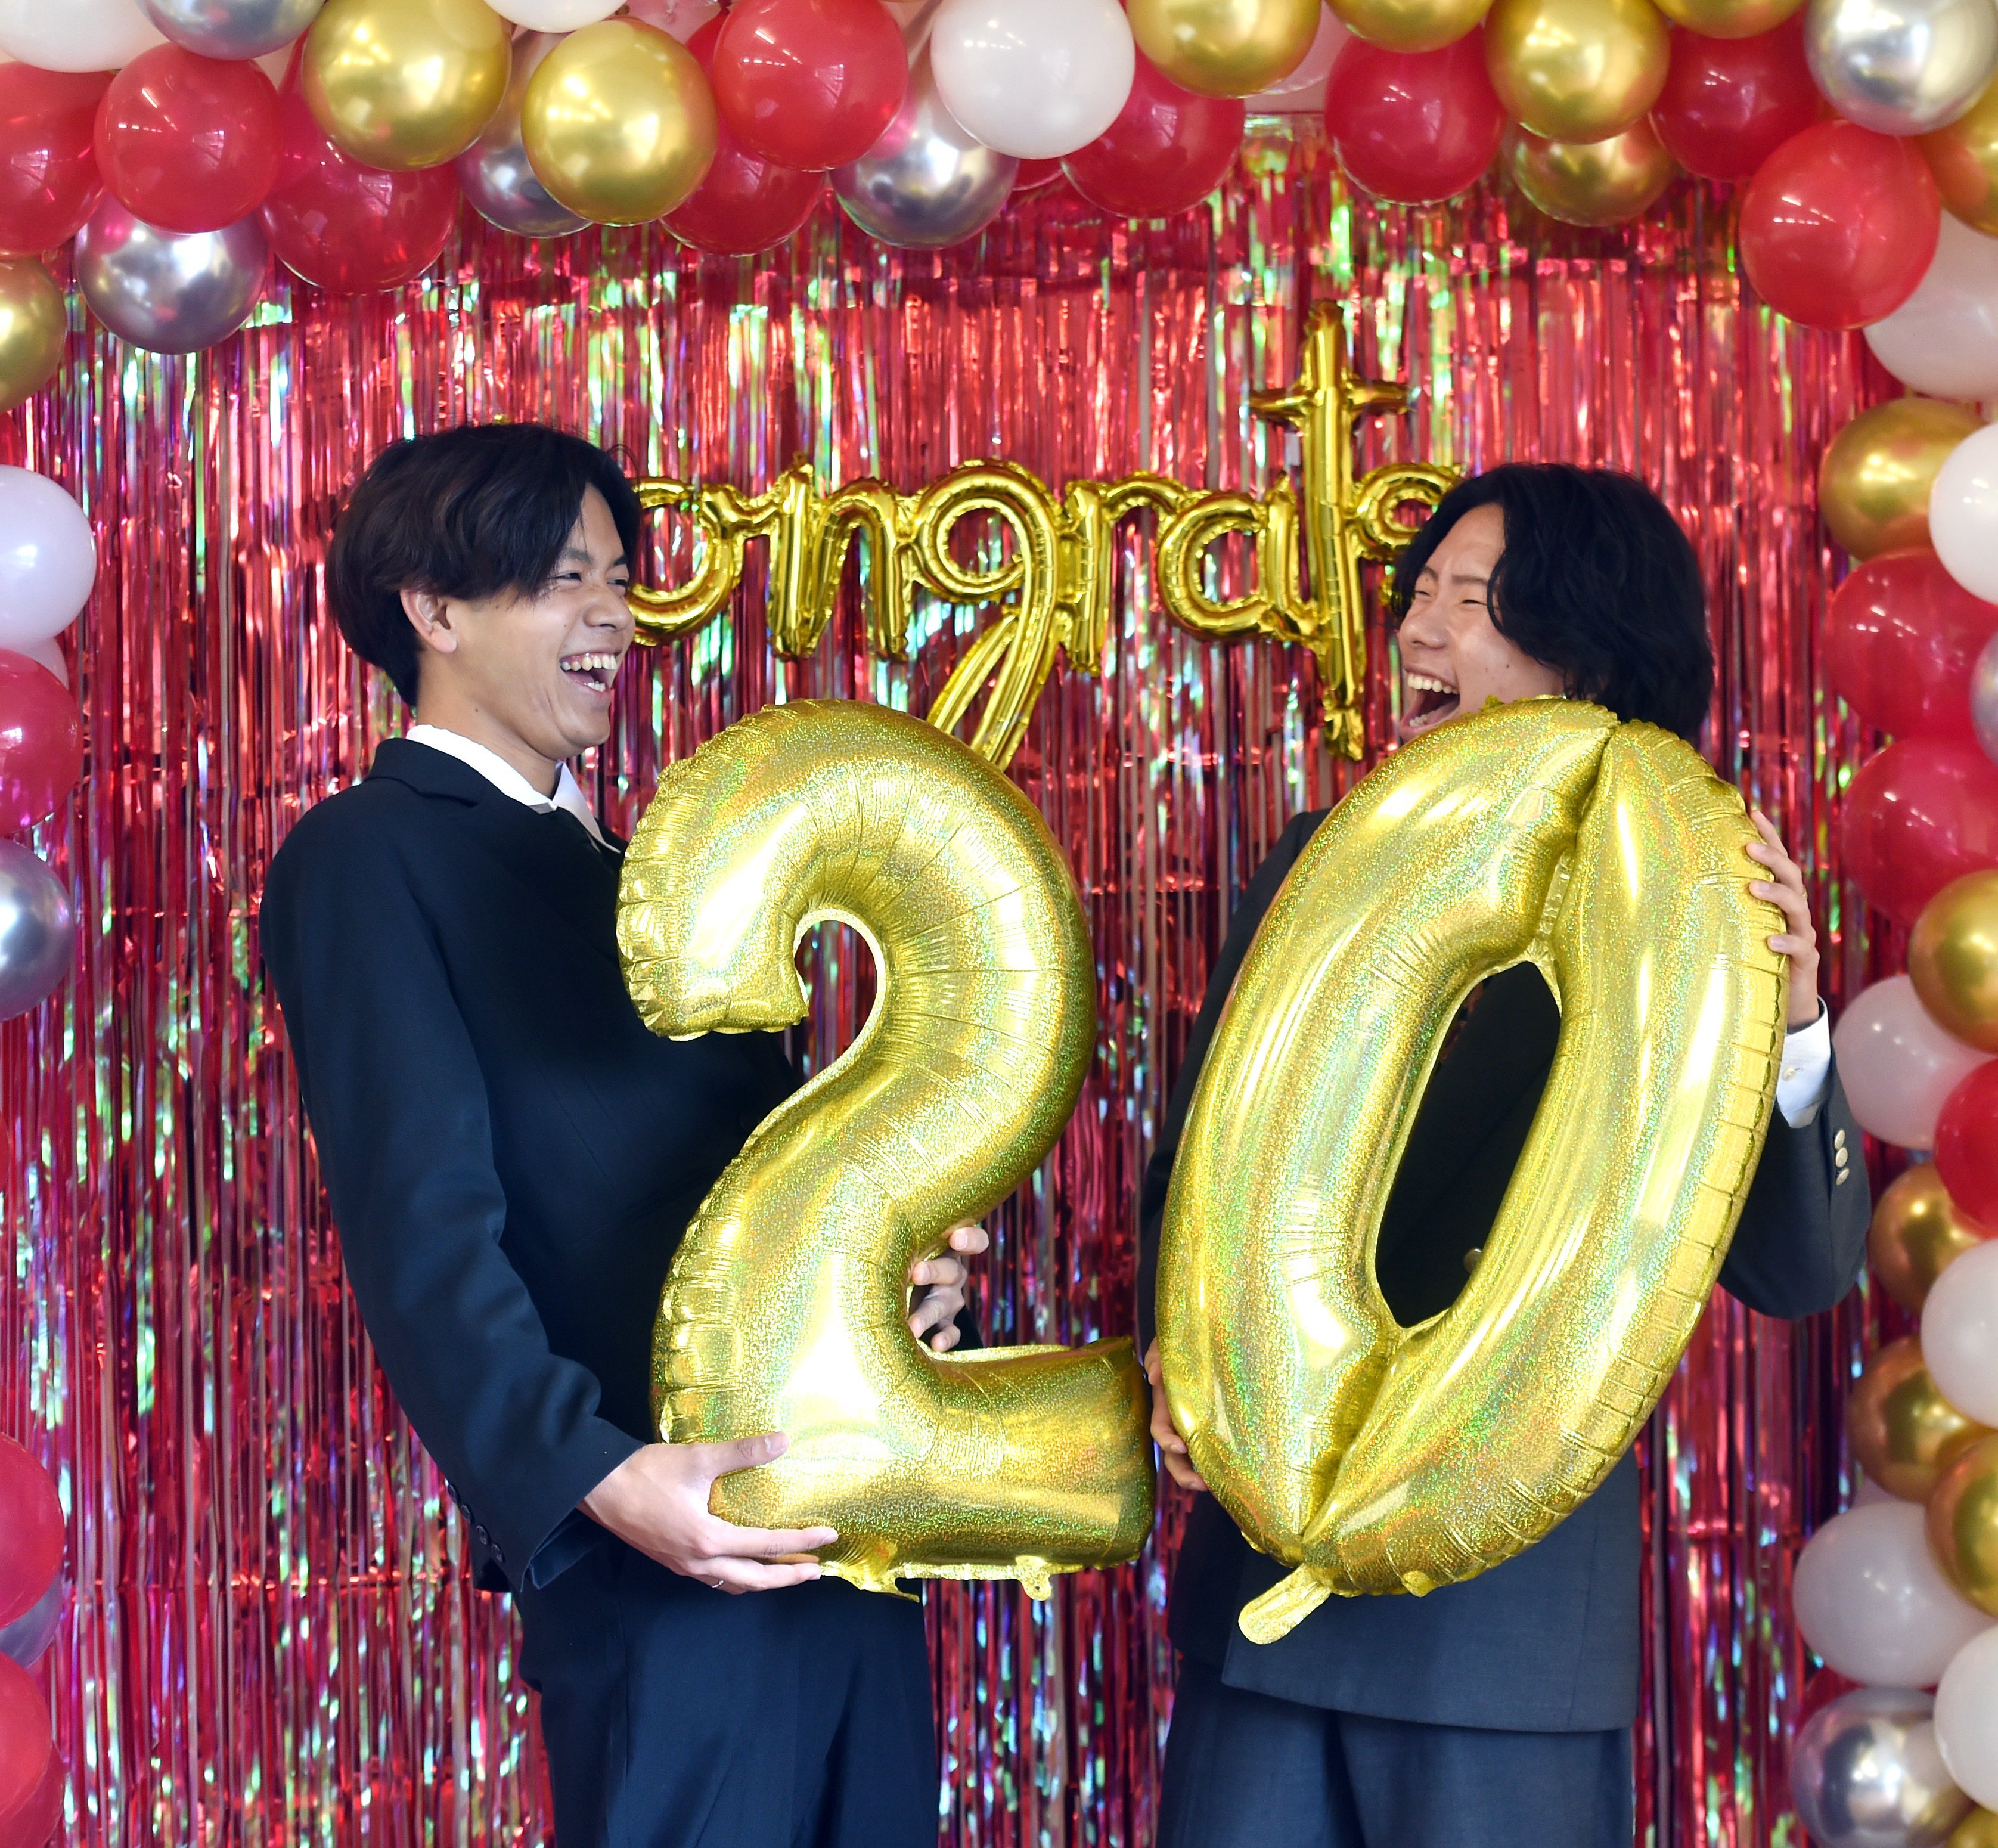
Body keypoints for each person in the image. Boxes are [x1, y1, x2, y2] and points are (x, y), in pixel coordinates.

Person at [259, 423, 985, 1848]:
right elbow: (421, 1233)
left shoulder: (656, 870)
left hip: (840, 1530)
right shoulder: (369, 853)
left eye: (617, 576)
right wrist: (597, 1475)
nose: (612, 614)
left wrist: (894, 1282)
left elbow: (772, 1170)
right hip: (658, 1557)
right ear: (434, 609)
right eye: (562, 578)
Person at [1135, 463, 1870, 1848]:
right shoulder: (1315, 865)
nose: (1417, 630)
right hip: (1260, 1603)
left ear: (1580, 653)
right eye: (1418, 592)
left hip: (1499, 1642)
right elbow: (1193, 1169)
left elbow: (1795, 1271)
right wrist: (1173, 1355)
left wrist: (1787, 1024)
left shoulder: (1687, 913)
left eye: (1469, 602)